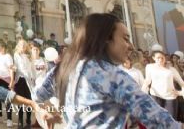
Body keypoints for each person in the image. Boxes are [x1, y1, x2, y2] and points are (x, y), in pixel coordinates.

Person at [34, 13, 183, 128]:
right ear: (106, 38)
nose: (130, 45)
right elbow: (158, 119)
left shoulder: (64, 68)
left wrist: (44, 112)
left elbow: (37, 95)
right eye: (125, 38)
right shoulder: (111, 76)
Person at [142, 49, 184, 120]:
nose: (161, 59)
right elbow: (147, 81)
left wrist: (180, 93)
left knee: (171, 120)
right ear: (153, 58)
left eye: (162, 57)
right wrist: (143, 93)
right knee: (159, 119)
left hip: (170, 97)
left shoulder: (171, 69)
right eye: (158, 58)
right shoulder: (149, 67)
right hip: (155, 96)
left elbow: (182, 83)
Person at [13, 39, 34, 129]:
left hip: (28, 80)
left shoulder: (28, 56)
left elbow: (31, 68)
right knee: (20, 101)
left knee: (29, 101)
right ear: (18, 46)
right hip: (20, 80)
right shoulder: (16, 55)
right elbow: (18, 68)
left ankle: (28, 120)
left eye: (24, 45)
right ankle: (20, 121)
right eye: (21, 45)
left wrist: (32, 77)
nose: (23, 47)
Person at [0, 40, 15, 127]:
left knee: (7, 100)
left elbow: (11, 69)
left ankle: (9, 119)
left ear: (3, 47)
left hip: (6, 80)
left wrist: (12, 81)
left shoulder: (8, 56)